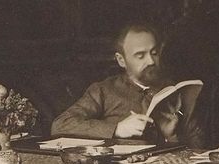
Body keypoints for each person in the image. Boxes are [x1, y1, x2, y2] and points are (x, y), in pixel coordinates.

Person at [51, 23, 205, 148]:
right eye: (140, 56)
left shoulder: (173, 91)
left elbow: (198, 148)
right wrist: (117, 129)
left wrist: (170, 137)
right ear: (121, 60)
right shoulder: (103, 90)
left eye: (154, 53)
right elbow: (60, 125)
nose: (151, 61)